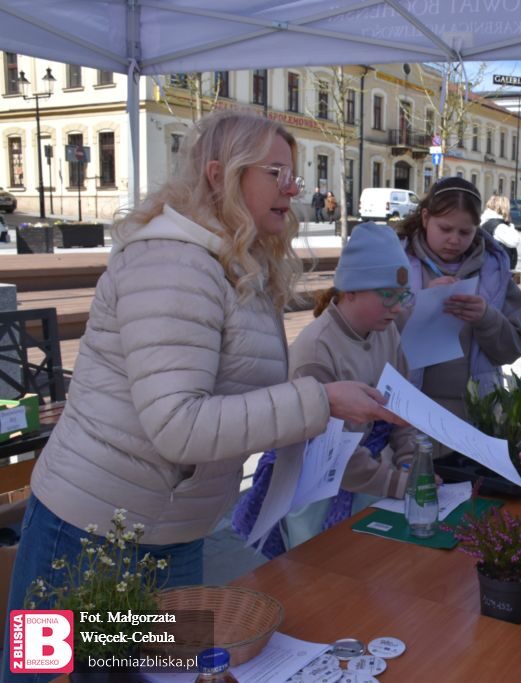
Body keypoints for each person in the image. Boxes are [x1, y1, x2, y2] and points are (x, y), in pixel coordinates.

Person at [4, 111, 397, 664]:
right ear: (220, 174)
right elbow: (178, 425)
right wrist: (320, 400)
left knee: (153, 670)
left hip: (169, 530)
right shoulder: (174, 263)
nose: (293, 189)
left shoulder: (234, 263)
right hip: (92, 532)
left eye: (294, 175)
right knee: (52, 671)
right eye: (276, 173)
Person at [233, 223, 421, 556]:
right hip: (320, 491)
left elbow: (402, 408)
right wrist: (396, 483)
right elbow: (330, 448)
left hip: (372, 478)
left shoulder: (386, 332)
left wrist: (411, 462)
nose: (397, 307)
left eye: (403, 295)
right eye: (387, 295)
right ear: (350, 291)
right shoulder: (316, 349)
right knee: (323, 570)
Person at [397, 176, 521, 419]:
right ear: (425, 218)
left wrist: (487, 318)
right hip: (407, 409)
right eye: (445, 229)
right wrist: (418, 306)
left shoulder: (494, 271)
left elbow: (514, 348)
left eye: (465, 232)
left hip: (475, 412)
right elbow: (367, 336)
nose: (454, 240)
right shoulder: (396, 262)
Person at [479, 194, 521, 269]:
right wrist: (510, 226)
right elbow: (514, 241)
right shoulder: (498, 226)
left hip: (490, 267)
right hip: (498, 269)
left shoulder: (486, 222)